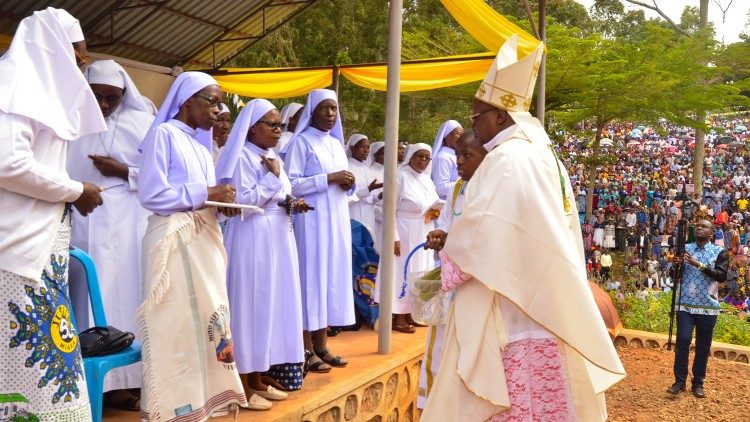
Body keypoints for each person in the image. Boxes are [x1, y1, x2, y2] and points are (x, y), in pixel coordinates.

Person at [422, 36, 625, 421]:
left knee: (513, 396)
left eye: (476, 116)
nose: (473, 124)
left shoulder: (508, 158)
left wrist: (450, 259)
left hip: (515, 300)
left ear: (500, 116)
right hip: (543, 294)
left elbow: (483, 233)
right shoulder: (540, 150)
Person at [0, 7, 106, 421]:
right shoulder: (12, 83)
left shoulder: (33, 89)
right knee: (28, 363)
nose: (82, 65)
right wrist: (76, 190)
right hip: (15, 254)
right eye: (77, 56)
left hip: (40, 252)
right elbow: (8, 163)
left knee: (47, 365)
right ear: (54, 49)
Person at [137, 71, 247, 420]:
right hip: (176, 243)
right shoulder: (163, 135)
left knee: (209, 321)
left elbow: (203, 198)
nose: (218, 110)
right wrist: (207, 194)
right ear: (186, 101)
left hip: (203, 242)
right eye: (211, 101)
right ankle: (173, 408)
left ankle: (205, 401)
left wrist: (222, 205)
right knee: (179, 324)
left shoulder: (201, 145)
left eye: (220, 103)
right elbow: (152, 195)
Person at [66, 59, 153, 409]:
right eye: (96, 95)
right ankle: (89, 384)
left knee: (126, 294)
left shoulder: (143, 123)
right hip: (83, 221)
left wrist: (123, 171)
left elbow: (158, 176)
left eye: (112, 98)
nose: (103, 104)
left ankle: (126, 382)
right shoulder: (69, 119)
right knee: (87, 296)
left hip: (129, 222)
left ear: (125, 94)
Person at [215, 99, 307, 410]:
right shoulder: (239, 157)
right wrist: (272, 178)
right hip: (253, 237)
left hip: (279, 238)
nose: (279, 130)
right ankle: (240, 384)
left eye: (280, 124)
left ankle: (257, 379)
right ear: (252, 127)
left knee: (269, 306)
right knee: (250, 306)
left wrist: (293, 201)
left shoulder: (271, 156)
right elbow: (241, 204)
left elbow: (280, 195)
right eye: (272, 125)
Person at [284, 89, 356, 373]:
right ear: (312, 111)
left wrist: (347, 182)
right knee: (309, 279)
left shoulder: (337, 144)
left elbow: (344, 181)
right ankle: (305, 348)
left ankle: (322, 345)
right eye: (324, 108)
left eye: (334, 109)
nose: (330, 114)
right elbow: (290, 184)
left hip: (335, 220)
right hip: (310, 222)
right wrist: (328, 178)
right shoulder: (301, 143)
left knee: (329, 279)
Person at [418, 130, 487, 409]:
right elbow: (446, 221)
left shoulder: (491, 191)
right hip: (451, 282)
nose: (459, 161)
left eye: (466, 155)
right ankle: (433, 406)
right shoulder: (458, 188)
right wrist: (440, 235)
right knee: (440, 346)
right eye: (457, 154)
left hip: (478, 285)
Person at [378, 143, 441, 333]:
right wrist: (393, 236)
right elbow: (389, 208)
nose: (423, 160)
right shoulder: (400, 176)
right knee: (402, 271)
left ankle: (413, 313)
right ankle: (398, 317)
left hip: (424, 229)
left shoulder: (427, 180)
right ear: (410, 156)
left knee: (420, 270)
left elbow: (431, 203)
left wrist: (435, 212)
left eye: (426, 158)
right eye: (419, 156)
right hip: (404, 230)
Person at [667, 219, 728, 399]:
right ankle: (679, 381)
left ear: (712, 232)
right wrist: (676, 265)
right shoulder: (685, 248)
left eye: (705, 226)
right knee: (683, 340)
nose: (700, 228)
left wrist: (698, 264)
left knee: (702, 346)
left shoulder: (719, 252)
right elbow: (675, 276)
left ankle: (698, 383)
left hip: (707, 307)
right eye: (698, 226)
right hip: (685, 304)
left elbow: (721, 276)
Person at [346, 134, 382, 234]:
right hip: (354, 211)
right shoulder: (346, 167)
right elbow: (348, 196)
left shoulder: (366, 169)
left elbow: (372, 199)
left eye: (368, 147)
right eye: (362, 147)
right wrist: (368, 190)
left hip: (369, 214)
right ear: (352, 147)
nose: (366, 150)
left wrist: (380, 196)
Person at [430, 120, 463, 199]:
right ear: (448, 135)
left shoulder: (454, 155)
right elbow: (441, 188)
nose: (462, 137)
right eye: (459, 134)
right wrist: (465, 183)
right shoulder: (443, 157)